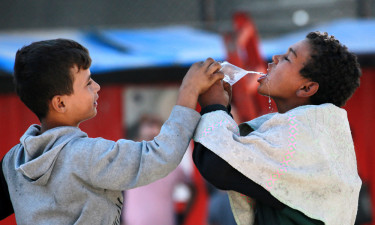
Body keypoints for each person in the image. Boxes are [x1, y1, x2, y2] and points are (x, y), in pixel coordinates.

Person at [0, 39, 224, 224]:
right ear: (60, 103)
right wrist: (189, 91)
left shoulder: (13, 161)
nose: (97, 87)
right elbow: (159, 156)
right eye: (88, 83)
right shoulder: (87, 155)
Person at [192, 31, 362, 225]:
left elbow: (218, 165)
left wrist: (213, 107)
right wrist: (220, 109)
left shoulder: (302, 137)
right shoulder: (317, 136)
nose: (275, 58)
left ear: (306, 88)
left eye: (288, 58)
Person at [121, 115, 191, 225]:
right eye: (149, 125)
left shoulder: (171, 163)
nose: (153, 130)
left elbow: (193, 187)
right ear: (137, 138)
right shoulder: (128, 159)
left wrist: (183, 216)